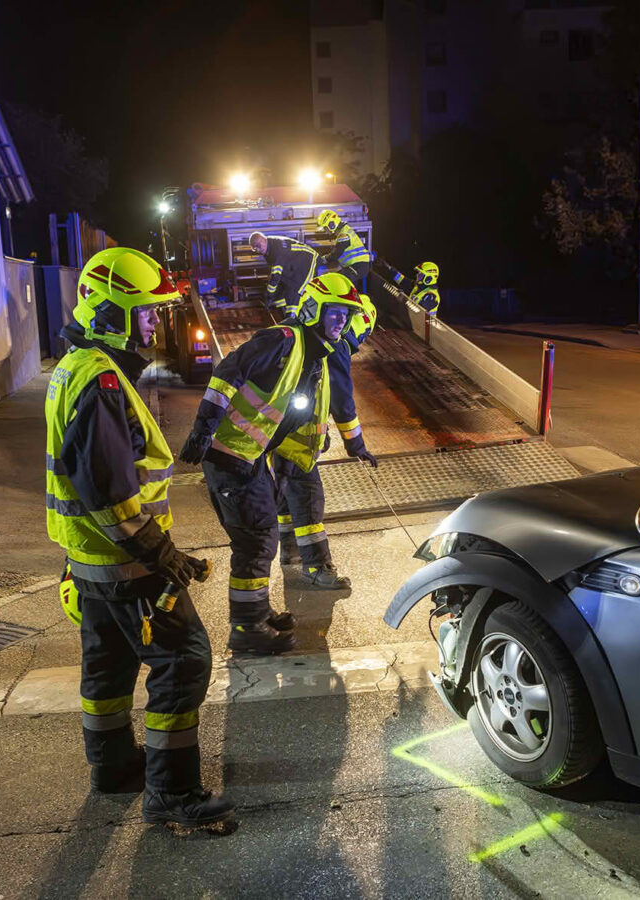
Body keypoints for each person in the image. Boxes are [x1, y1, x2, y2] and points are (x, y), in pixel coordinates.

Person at [46, 246, 232, 828]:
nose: (154, 323)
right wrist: (159, 552)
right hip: (127, 565)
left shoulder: (76, 370)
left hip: (92, 563)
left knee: (108, 667)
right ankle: (172, 794)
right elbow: (107, 491)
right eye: (145, 312)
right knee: (184, 660)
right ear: (109, 313)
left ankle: (113, 768)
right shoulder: (100, 380)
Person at [179, 272, 365, 654]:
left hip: (249, 458)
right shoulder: (282, 340)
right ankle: (247, 629)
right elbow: (227, 371)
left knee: (260, 536)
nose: (341, 322)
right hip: (228, 456)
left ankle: (258, 615)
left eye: (346, 315)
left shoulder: (315, 356)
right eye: (335, 313)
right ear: (313, 309)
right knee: (255, 541)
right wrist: (202, 428)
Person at [276, 293, 380, 580]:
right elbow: (342, 399)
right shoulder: (337, 345)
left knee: (287, 492)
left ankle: (290, 551)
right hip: (298, 438)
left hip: (278, 434)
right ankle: (317, 568)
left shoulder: (300, 331)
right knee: (309, 497)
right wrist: (356, 444)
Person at [249, 231, 318, 315]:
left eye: (259, 246)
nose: (259, 250)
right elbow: (274, 273)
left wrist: (269, 294)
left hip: (307, 261)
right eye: (255, 249)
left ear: (264, 239)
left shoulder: (277, 249)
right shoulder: (268, 249)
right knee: (281, 291)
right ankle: (283, 314)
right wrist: (271, 295)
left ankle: (292, 319)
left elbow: (276, 276)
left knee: (295, 290)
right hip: (294, 265)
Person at [314, 209, 372, 286]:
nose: (325, 231)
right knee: (340, 282)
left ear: (331, 225)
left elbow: (336, 254)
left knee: (336, 282)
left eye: (325, 228)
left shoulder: (343, 235)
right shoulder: (343, 231)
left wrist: (321, 260)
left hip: (358, 266)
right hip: (356, 266)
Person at [374, 260, 441, 316]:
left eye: (420, 274)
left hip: (425, 330)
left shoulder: (431, 296)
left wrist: (403, 299)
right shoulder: (418, 286)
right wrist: (388, 267)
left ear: (429, 278)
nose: (417, 276)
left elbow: (417, 313)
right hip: (415, 327)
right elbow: (402, 280)